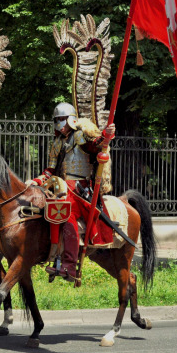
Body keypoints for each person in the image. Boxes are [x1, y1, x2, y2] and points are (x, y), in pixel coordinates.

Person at [26, 102, 115, 282]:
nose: (60, 123)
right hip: (60, 186)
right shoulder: (57, 142)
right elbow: (49, 171)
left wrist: (106, 135)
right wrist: (35, 181)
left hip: (80, 188)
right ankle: (52, 256)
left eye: (62, 119)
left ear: (71, 120)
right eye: (57, 119)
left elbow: (95, 146)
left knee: (66, 214)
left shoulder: (79, 135)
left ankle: (69, 265)